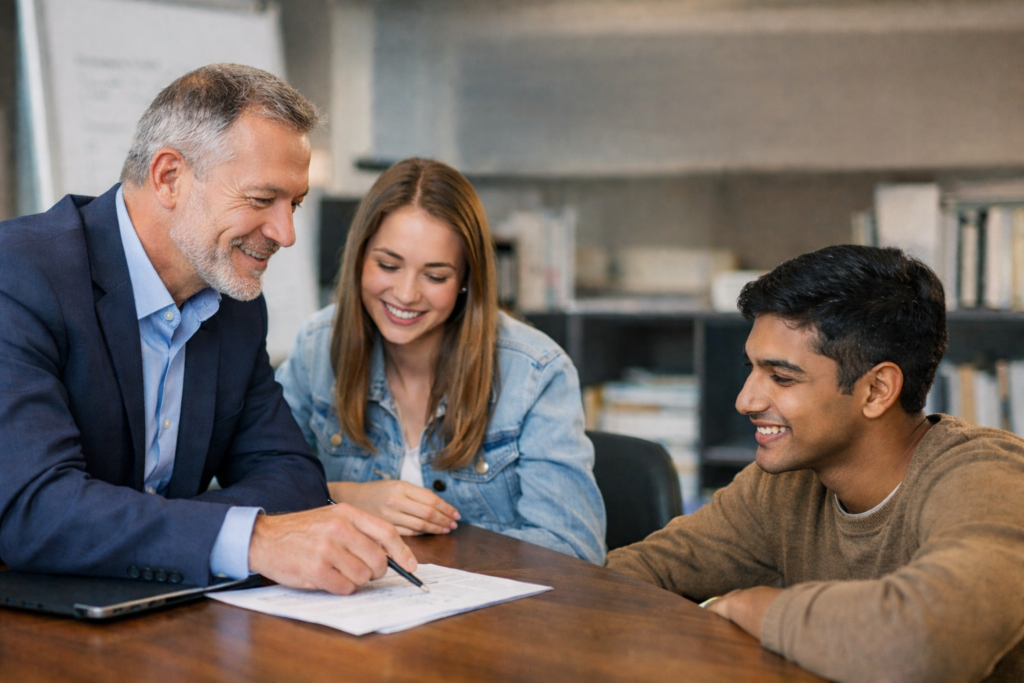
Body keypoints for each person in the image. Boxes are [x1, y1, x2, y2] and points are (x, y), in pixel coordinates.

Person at [0, 63, 417, 596]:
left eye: (294, 204)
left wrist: (174, 534)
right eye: (262, 200)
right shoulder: (19, 274)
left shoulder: (236, 306)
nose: (285, 233)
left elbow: (293, 475)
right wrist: (251, 539)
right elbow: (35, 509)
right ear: (169, 177)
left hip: (158, 608)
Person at [606, 245, 1024, 682]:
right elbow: (626, 577)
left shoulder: (989, 479)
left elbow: (926, 643)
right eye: (751, 369)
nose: (745, 400)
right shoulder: (784, 484)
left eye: (782, 377)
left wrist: (750, 607)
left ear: (877, 390)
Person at [276, 158, 606, 563]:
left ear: (466, 279)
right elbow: (255, 488)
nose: (406, 294)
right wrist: (347, 498)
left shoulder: (535, 372)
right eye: (388, 265)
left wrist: (434, 552)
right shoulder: (318, 347)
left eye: (435, 276)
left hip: (487, 605)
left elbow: (575, 549)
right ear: (360, 258)